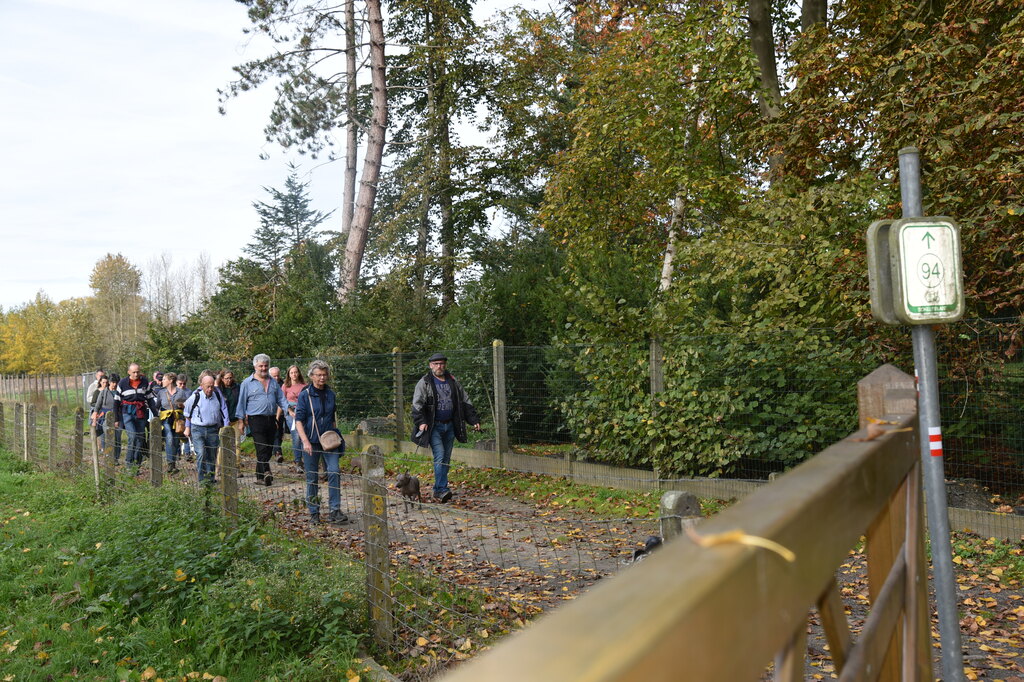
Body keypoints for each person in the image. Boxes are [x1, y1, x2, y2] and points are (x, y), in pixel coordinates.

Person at [411, 352, 481, 503]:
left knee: (446, 458)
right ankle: (441, 489)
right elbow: (417, 405)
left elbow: (465, 401)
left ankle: (439, 489)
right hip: (433, 426)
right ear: (430, 365)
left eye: (442, 364)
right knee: (440, 455)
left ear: (445, 365)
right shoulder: (425, 383)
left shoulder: (453, 381)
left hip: (450, 425)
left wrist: (474, 420)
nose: (439, 366)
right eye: (436, 364)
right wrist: (421, 421)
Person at [294, 360, 346, 525]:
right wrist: (305, 441)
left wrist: (335, 436)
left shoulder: (331, 394)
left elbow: (332, 418)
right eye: (319, 375)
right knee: (312, 477)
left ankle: (335, 510)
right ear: (311, 376)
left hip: (329, 442)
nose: (322, 378)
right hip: (311, 442)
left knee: (334, 471)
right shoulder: (305, 394)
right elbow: (299, 420)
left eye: (324, 374)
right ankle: (314, 512)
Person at [236, 354, 288, 486]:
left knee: (269, 448)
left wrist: (289, 410)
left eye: (266, 366)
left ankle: (259, 476)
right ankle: (266, 471)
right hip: (255, 419)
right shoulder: (247, 383)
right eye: (261, 366)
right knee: (261, 446)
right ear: (255, 366)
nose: (264, 368)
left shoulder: (273, 382)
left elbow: (281, 399)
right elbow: (241, 403)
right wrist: (241, 421)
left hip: (271, 419)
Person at [183, 374, 229, 484]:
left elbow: (223, 410)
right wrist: (190, 426)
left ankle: (211, 478)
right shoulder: (194, 397)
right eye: (208, 386)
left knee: (212, 454)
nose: (210, 389)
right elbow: (187, 413)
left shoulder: (217, 395)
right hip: (198, 429)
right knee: (201, 453)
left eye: (212, 386)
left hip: (213, 429)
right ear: (202, 386)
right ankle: (202, 479)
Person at [115, 363, 159, 469]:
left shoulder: (144, 382)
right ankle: (129, 463)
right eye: (134, 372)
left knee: (140, 438)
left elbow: (150, 399)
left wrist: (156, 415)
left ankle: (137, 463)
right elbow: (116, 402)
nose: (136, 374)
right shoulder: (122, 383)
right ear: (129, 372)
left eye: (138, 372)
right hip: (127, 413)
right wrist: (116, 419)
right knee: (132, 436)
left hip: (141, 412)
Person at [156, 372, 188, 474]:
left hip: (177, 419)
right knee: (169, 438)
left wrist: (182, 405)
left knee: (175, 440)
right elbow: (157, 406)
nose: (162, 381)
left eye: (164, 379)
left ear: (170, 381)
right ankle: (170, 463)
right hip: (165, 419)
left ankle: (173, 463)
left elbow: (186, 406)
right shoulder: (161, 393)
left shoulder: (180, 392)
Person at [282, 364, 308, 471]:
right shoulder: (285, 386)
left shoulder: (304, 385)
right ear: (289, 374)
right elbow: (282, 400)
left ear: (299, 373)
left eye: (296, 372)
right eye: (292, 372)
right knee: (296, 436)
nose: (294, 374)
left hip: (302, 412)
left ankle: (306, 460)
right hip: (291, 414)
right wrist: (289, 410)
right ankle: (298, 461)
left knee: (304, 436)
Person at [90, 376, 118, 459]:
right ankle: (107, 453)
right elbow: (96, 405)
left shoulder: (119, 392)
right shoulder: (101, 392)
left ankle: (115, 457)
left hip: (116, 415)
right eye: (112, 382)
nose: (114, 384)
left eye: (116, 382)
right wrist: (95, 417)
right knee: (106, 433)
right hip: (104, 415)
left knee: (117, 437)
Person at [269, 366, 285, 463]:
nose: (276, 378)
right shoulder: (266, 384)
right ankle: (276, 451)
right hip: (268, 413)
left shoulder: (283, 384)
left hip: (280, 413)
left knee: (278, 433)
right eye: (274, 376)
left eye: (277, 376)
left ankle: (277, 451)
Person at [176, 373, 193, 462]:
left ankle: (187, 453)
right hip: (176, 415)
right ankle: (177, 453)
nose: (182, 386)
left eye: (184, 384)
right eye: (180, 384)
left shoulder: (189, 392)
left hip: (186, 415)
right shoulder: (173, 391)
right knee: (176, 434)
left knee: (186, 434)